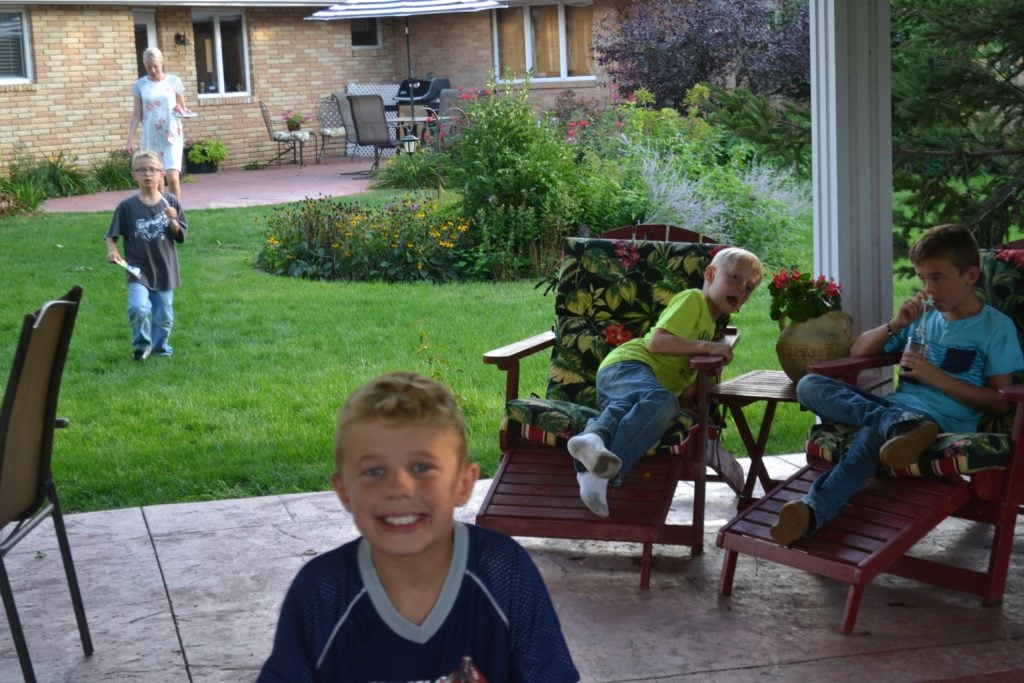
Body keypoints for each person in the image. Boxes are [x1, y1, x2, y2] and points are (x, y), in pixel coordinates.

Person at [259, 372, 579, 682]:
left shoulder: (504, 572)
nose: (399, 488)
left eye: (422, 467)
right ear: (344, 491)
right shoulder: (322, 592)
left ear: (463, 483)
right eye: (374, 471)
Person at [771, 224, 1024, 546]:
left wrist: (933, 375)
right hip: (896, 411)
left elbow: (999, 402)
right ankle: (897, 423)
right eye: (923, 279)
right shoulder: (923, 317)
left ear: (970, 275)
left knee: (871, 435)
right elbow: (859, 350)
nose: (929, 289)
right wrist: (897, 323)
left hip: (940, 421)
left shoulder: (995, 327)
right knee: (809, 385)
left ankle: (812, 510)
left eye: (938, 278)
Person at [567, 247, 764, 518]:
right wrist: (707, 347)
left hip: (638, 387)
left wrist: (696, 402)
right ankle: (599, 473)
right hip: (627, 365)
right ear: (710, 274)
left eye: (749, 287)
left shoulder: (709, 325)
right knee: (662, 401)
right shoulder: (694, 300)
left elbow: (685, 387)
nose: (742, 288)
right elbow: (657, 343)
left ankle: (593, 441)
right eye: (735, 278)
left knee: (642, 407)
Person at [105, 150, 187, 361]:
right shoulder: (127, 207)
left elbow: (180, 236)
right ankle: (141, 346)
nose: (147, 174)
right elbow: (111, 235)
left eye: (153, 169)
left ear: (161, 174)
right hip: (138, 270)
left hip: (165, 268)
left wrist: (173, 220)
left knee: (164, 315)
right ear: (134, 175)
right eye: (142, 170)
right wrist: (112, 250)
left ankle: (160, 347)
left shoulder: (170, 202)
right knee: (138, 308)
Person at [126, 47, 193, 199]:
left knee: (173, 178)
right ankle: (160, 210)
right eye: (149, 67)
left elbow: (181, 108)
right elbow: (136, 114)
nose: (153, 70)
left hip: (171, 136)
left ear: (162, 62)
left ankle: (176, 211)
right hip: (151, 137)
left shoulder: (174, 81)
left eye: (155, 66)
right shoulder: (140, 85)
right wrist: (129, 140)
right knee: (157, 181)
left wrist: (184, 111)